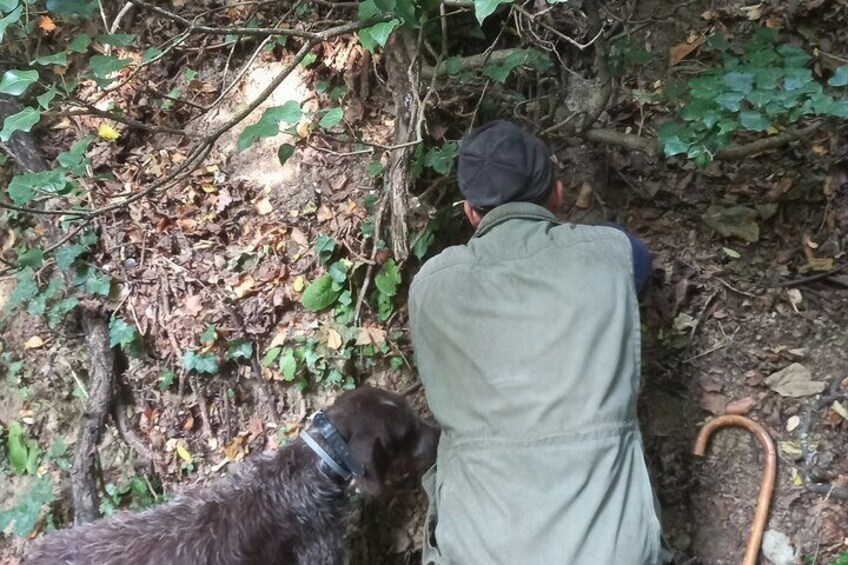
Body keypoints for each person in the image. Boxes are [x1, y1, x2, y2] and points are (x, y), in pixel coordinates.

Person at [409, 120, 667, 564]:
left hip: (478, 552)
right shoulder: (612, 253)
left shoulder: (430, 285)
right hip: (612, 550)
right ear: (558, 193)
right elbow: (638, 264)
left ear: (471, 213)